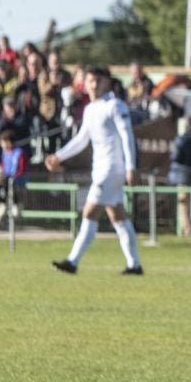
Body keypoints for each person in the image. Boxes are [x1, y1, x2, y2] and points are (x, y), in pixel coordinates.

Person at [47, 72, 143, 276]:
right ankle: (134, 264)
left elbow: (127, 137)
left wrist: (130, 167)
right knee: (117, 215)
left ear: (107, 83)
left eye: (98, 80)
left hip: (112, 169)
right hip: (100, 168)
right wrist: (59, 156)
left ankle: (72, 262)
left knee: (89, 212)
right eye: (90, 81)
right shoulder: (91, 109)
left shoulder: (115, 106)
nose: (93, 85)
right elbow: (82, 139)